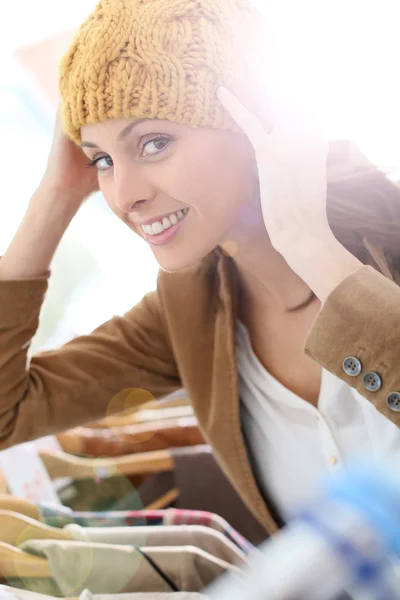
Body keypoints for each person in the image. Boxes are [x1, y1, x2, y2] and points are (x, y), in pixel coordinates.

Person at [1, 0, 400, 536]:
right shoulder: (187, 314)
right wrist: (54, 196)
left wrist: (309, 244)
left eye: (154, 142)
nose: (124, 195)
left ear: (258, 120)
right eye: (102, 160)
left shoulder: (389, 229)